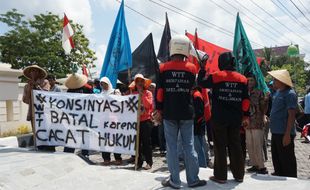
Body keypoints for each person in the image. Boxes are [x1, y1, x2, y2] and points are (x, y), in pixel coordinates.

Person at [156, 35, 206, 189]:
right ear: (186, 50)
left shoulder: (163, 68)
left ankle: (175, 181)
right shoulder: (191, 68)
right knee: (189, 146)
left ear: (172, 49)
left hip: (169, 113)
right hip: (186, 113)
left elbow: (159, 92)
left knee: (171, 147)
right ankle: (193, 180)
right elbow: (195, 87)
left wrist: (158, 109)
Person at [197, 52, 249, 184]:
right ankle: (239, 175)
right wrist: (246, 116)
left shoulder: (216, 76)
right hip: (236, 119)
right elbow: (246, 101)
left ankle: (220, 176)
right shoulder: (243, 79)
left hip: (219, 118)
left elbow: (201, 83)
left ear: (221, 63)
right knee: (236, 145)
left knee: (220, 146)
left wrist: (202, 68)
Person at [268, 69, 297, 178]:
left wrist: (287, 134)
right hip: (276, 131)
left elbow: (291, 115)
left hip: (284, 132)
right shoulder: (278, 92)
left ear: (282, 81)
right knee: (276, 157)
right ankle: (278, 173)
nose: (273, 81)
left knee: (287, 159)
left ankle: (290, 179)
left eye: (275, 79)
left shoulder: (290, 94)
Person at [22, 65, 54, 152]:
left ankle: (49, 146)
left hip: (44, 111)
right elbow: (25, 100)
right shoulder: (26, 86)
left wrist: (36, 86)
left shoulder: (45, 82)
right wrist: (30, 88)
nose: (33, 73)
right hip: (33, 111)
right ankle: (39, 146)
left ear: (39, 73)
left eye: (35, 71)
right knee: (36, 129)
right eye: (31, 71)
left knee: (46, 128)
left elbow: (46, 96)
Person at [129, 74, 154, 170]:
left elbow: (148, 105)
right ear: (135, 83)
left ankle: (149, 162)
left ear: (144, 83)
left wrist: (141, 94)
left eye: (141, 81)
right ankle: (138, 162)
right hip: (136, 121)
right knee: (137, 143)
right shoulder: (132, 94)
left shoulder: (148, 93)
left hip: (146, 121)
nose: (139, 83)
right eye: (137, 81)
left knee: (147, 142)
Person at [245, 73, 268, 174]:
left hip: (257, 122)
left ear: (255, 81)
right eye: (248, 80)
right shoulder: (244, 92)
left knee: (258, 144)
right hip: (247, 123)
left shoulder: (259, 93)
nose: (250, 82)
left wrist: (266, 100)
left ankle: (261, 166)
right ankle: (254, 164)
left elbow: (263, 108)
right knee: (249, 145)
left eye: (251, 80)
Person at [63, 73, 91, 157]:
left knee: (84, 134)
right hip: (72, 117)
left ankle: (85, 153)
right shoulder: (69, 91)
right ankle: (68, 152)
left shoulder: (87, 89)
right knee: (71, 134)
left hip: (84, 117)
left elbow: (92, 101)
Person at [100, 77, 123, 166]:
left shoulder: (115, 92)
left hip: (114, 120)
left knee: (115, 139)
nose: (103, 86)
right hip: (104, 120)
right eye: (102, 84)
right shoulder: (101, 94)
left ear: (108, 83)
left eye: (105, 84)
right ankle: (106, 158)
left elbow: (121, 103)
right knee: (104, 139)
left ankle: (118, 158)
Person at [192, 86, 208, 168]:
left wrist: (192, 121)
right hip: (199, 124)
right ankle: (202, 164)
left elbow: (198, 112)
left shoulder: (196, 96)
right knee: (199, 146)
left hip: (197, 125)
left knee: (198, 147)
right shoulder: (197, 94)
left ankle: (202, 165)